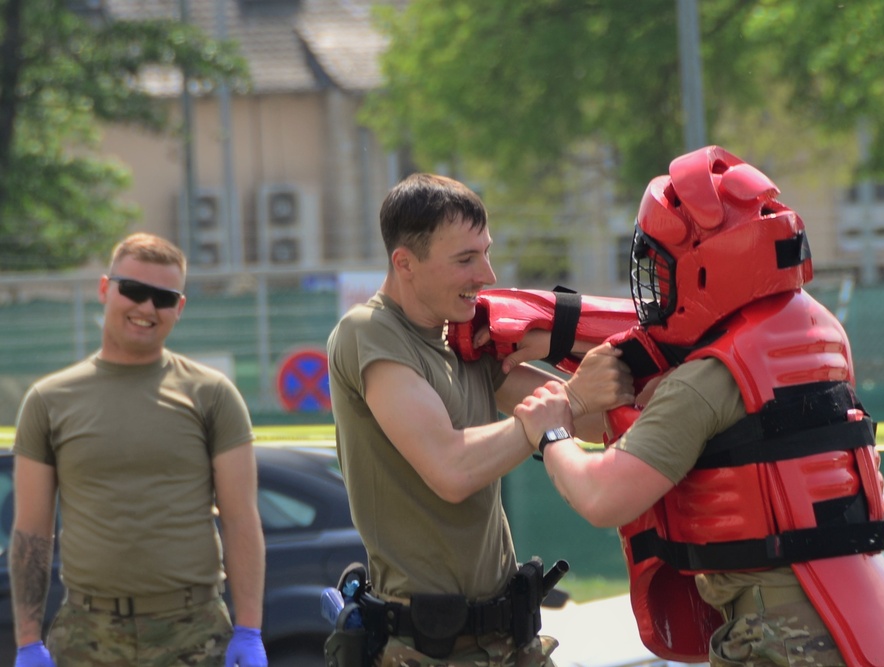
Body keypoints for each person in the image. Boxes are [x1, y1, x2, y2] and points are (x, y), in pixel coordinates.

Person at [511, 147, 884, 667]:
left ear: (708, 269)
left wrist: (552, 433)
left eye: (663, 268)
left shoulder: (711, 378)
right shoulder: (817, 333)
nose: (654, 287)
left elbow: (603, 497)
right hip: (860, 612)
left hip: (783, 635)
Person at [325, 173, 633, 667]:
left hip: (512, 637)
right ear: (404, 263)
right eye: (465, 259)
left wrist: (581, 351)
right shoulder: (369, 332)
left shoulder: (462, 337)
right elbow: (450, 470)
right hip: (427, 648)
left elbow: (600, 422)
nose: (487, 274)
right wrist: (571, 397)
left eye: (485, 252)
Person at [11, 233, 268, 667]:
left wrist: (250, 629)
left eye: (164, 298)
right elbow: (32, 532)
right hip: (86, 633)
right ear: (104, 289)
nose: (147, 308)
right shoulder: (48, 401)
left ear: (179, 308)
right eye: (133, 290)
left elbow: (241, 519)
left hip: (194, 632)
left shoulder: (212, 395)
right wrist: (27, 641)